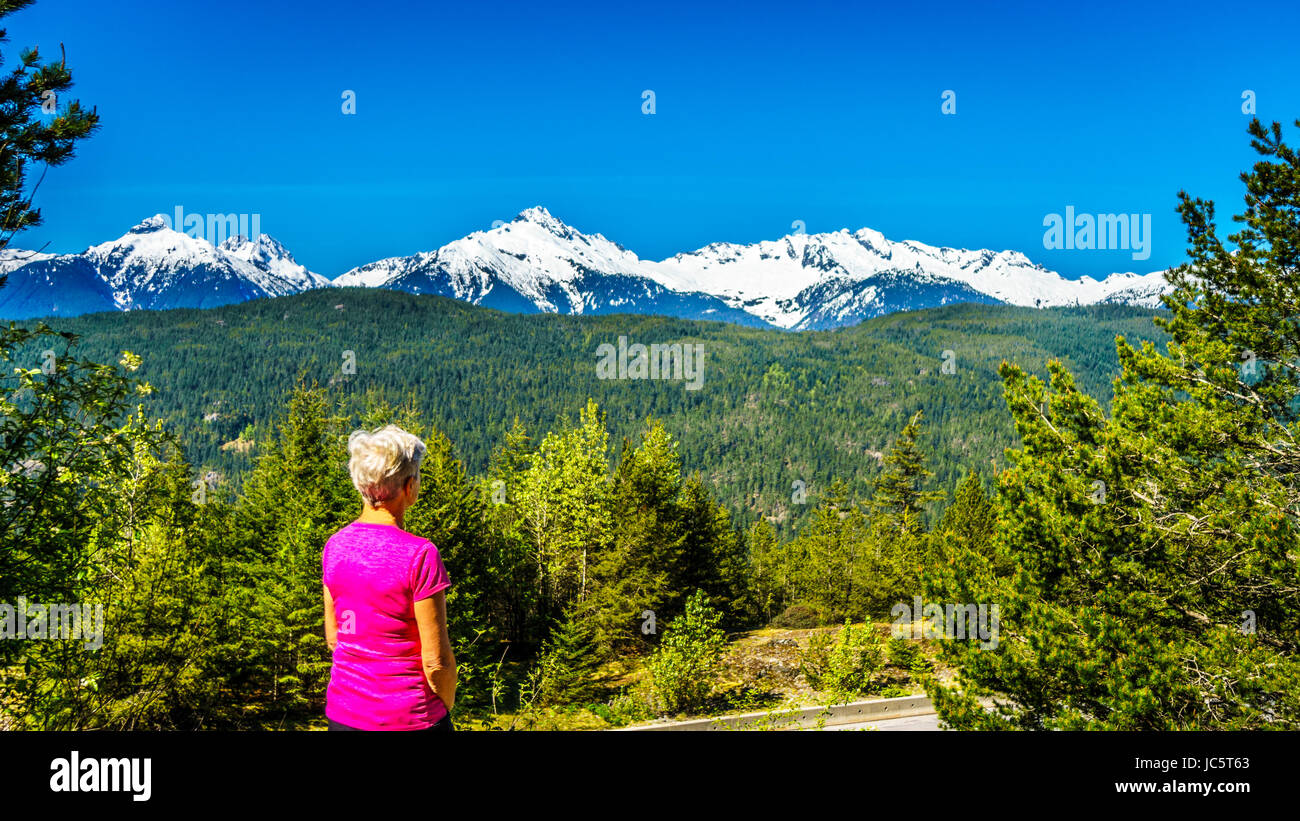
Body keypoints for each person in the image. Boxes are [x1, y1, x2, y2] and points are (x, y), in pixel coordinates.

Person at [321, 424, 457, 731]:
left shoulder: (335, 546)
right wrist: (444, 708)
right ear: (409, 487)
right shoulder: (420, 555)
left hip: (344, 716)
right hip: (411, 719)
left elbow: (335, 635)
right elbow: (436, 661)